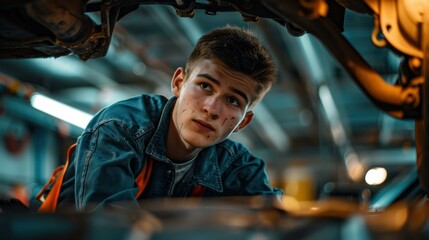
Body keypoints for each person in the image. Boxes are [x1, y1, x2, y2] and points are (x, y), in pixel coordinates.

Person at [51, 25, 283, 212]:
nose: (211, 108)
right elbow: (108, 229)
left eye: (233, 101)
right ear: (178, 83)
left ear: (242, 122)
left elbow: (278, 221)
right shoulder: (120, 129)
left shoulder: (237, 166)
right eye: (204, 85)